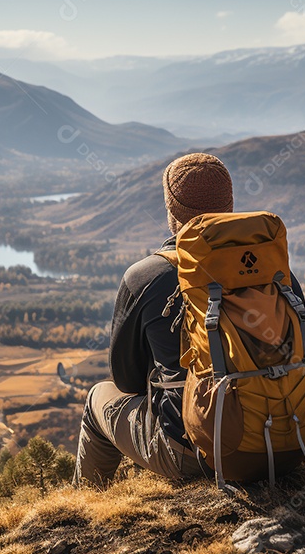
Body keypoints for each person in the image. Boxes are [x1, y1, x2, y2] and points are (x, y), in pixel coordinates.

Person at [73, 152, 233, 486]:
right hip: (284, 435)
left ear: (172, 212)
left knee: (98, 397)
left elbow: (126, 382)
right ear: (230, 205)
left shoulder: (147, 275)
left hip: (196, 454)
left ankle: (86, 501)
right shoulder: (271, 266)